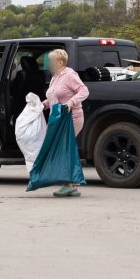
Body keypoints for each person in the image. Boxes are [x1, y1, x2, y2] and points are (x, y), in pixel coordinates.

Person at [43, 48, 89, 197]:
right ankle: (72, 185)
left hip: (72, 118)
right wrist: (43, 104)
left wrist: (71, 102)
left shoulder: (69, 75)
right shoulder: (55, 77)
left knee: (63, 149)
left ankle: (69, 184)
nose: (49, 63)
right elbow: (54, 98)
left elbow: (84, 91)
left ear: (60, 61)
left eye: (51, 61)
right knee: (65, 149)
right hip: (58, 118)